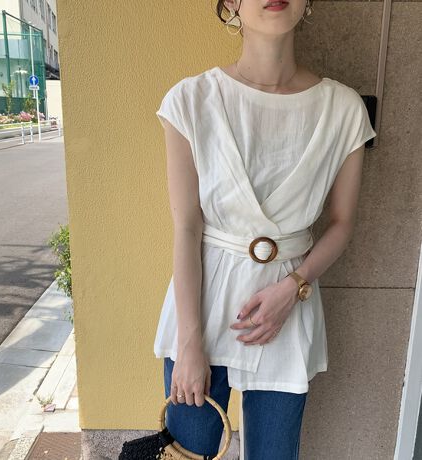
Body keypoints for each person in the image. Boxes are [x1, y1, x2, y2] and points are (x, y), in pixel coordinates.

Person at [154, 0, 377, 458]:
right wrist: (189, 341)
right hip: (202, 304)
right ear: (230, 3)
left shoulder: (343, 108)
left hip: (288, 307)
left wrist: (294, 287)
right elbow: (187, 226)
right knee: (190, 449)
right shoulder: (191, 99)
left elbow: (341, 223)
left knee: (274, 453)